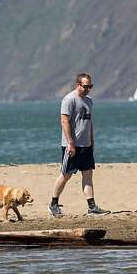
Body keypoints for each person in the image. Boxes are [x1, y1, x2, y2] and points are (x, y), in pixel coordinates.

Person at [49, 72, 108, 217]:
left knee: (87, 175)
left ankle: (92, 206)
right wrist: (70, 143)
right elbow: (64, 121)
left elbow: (89, 123)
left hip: (86, 145)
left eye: (90, 86)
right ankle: (53, 204)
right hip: (72, 146)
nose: (88, 89)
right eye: (86, 86)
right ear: (78, 85)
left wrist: (92, 141)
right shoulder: (69, 99)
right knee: (65, 175)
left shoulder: (89, 101)